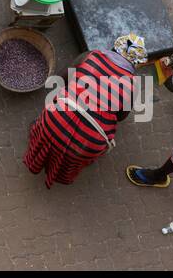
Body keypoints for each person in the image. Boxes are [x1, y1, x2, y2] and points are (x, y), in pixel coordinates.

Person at [23, 34, 146, 188]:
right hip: (88, 145)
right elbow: (121, 117)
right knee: (73, 155)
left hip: (54, 122)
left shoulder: (90, 56)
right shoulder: (133, 85)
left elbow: (61, 79)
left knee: (48, 126)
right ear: (136, 64)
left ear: (114, 47)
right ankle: (60, 173)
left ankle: (39, 149)